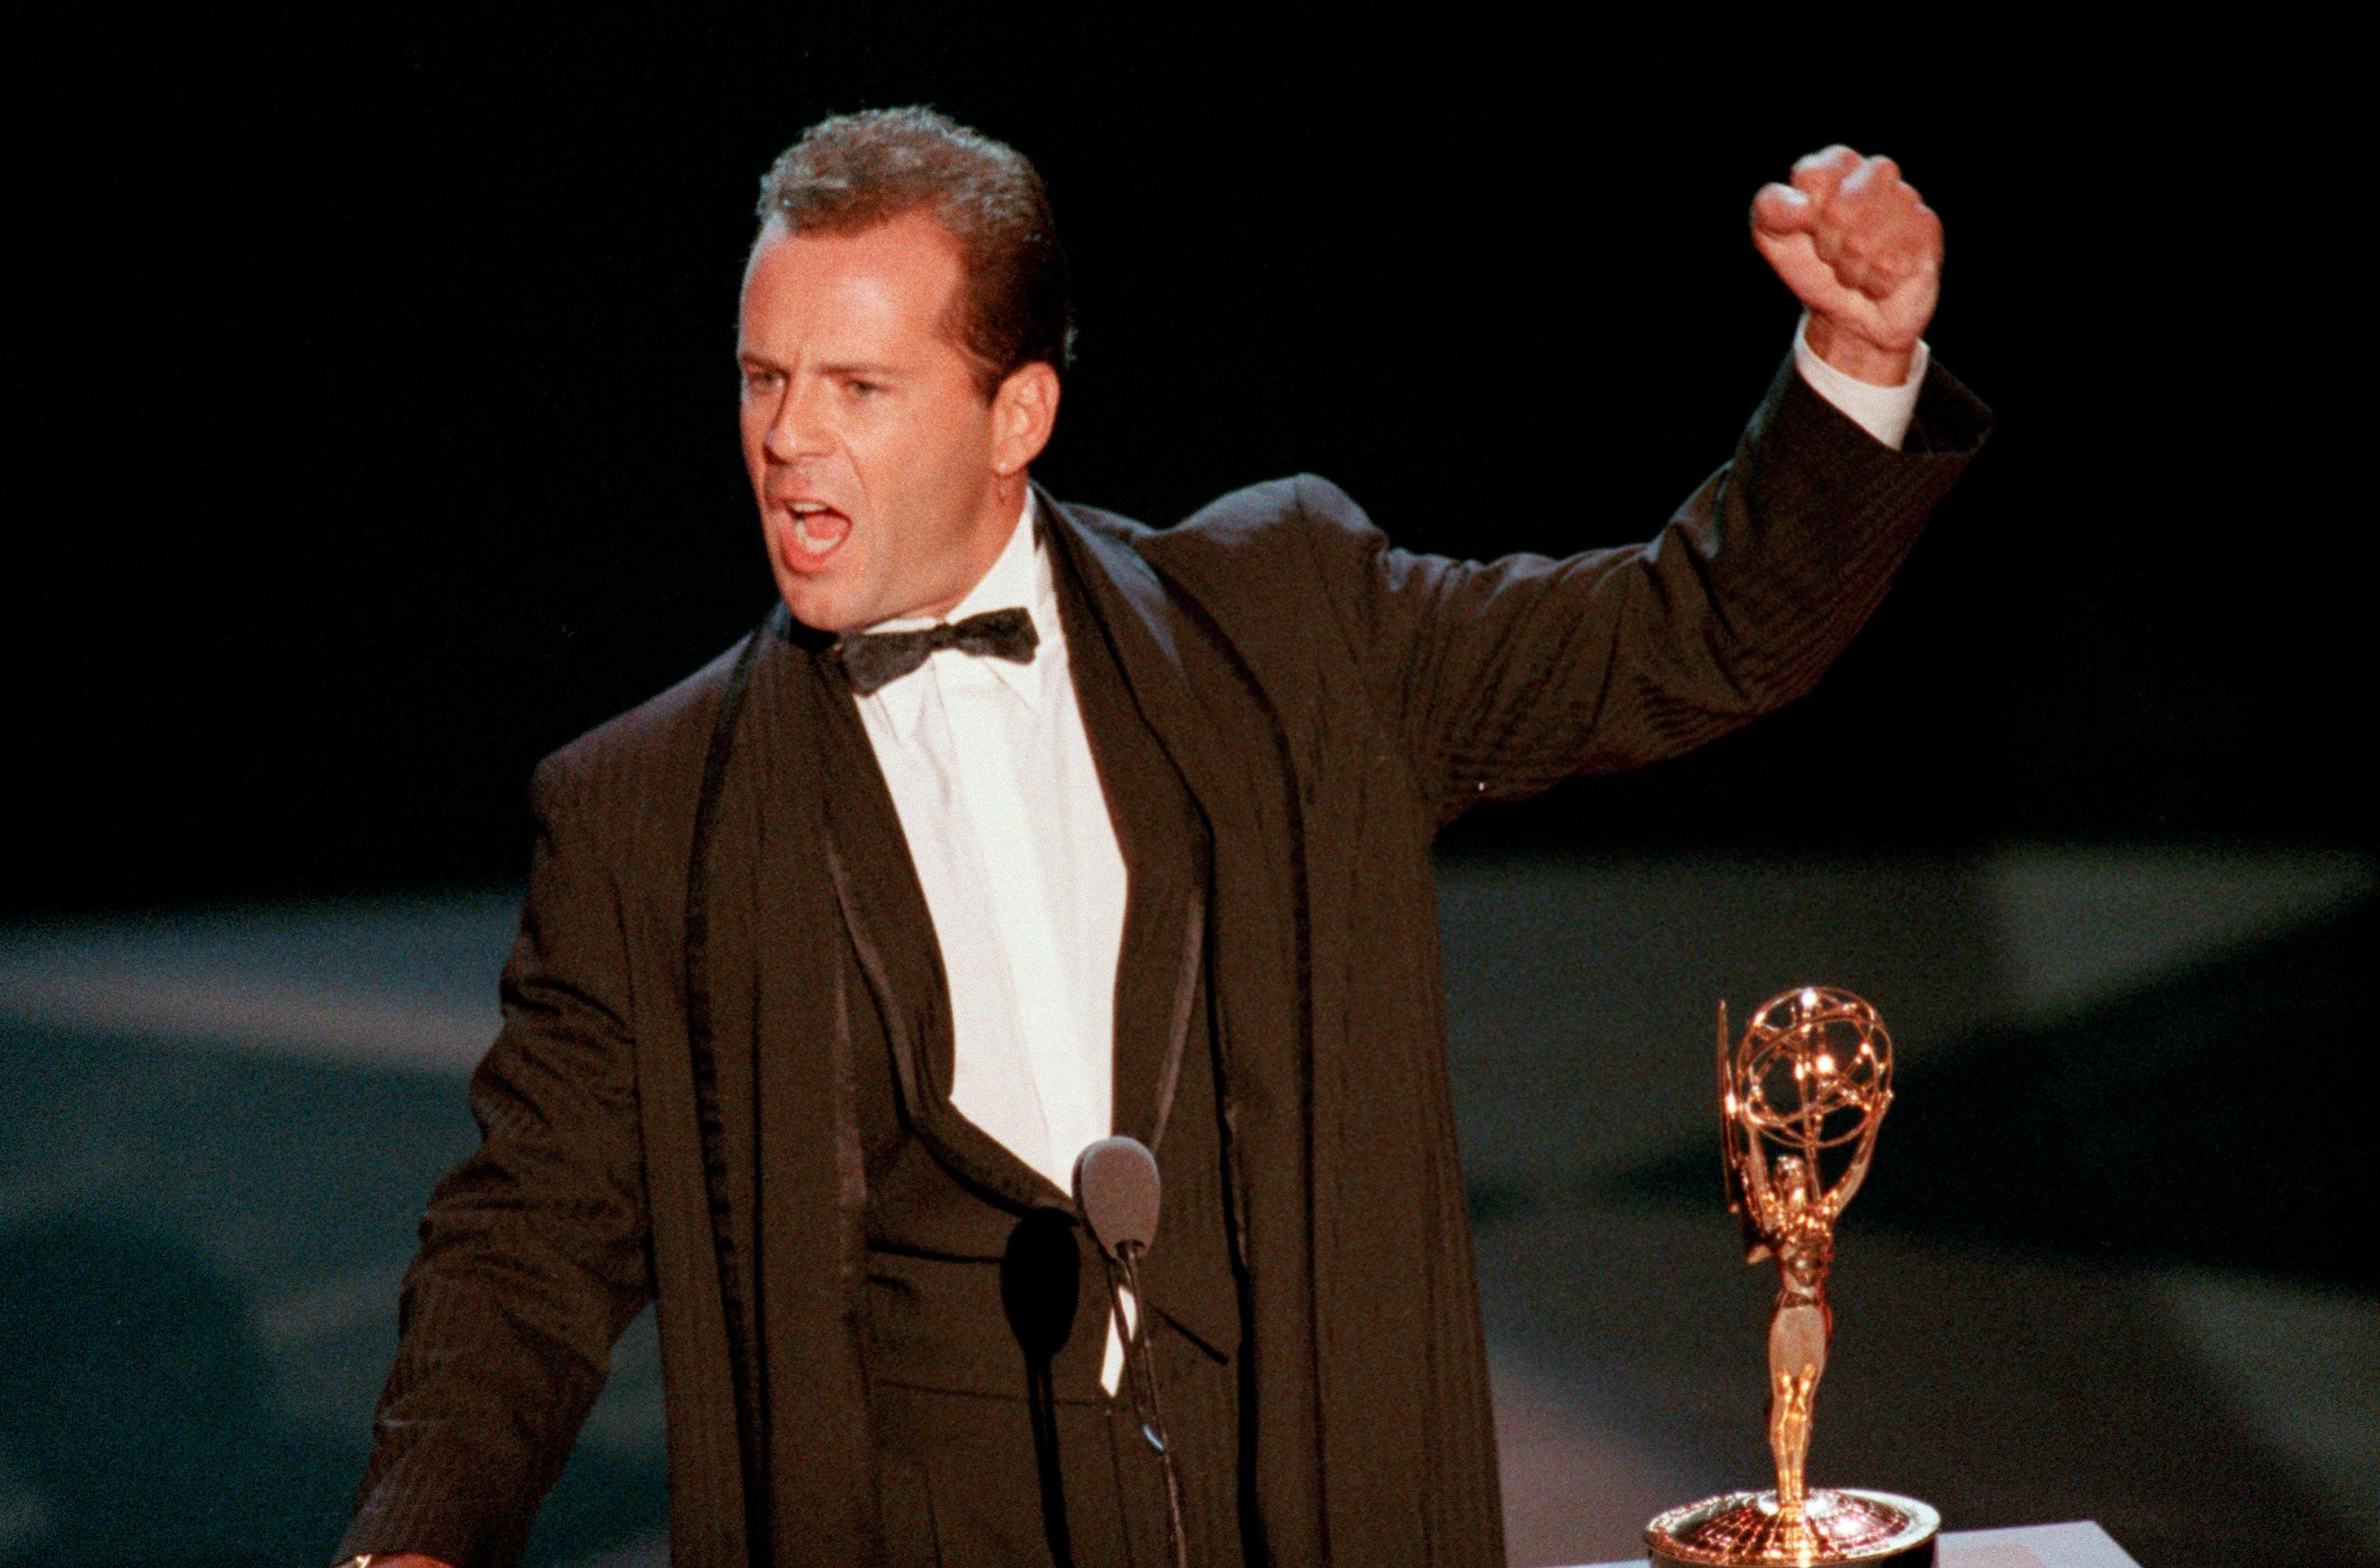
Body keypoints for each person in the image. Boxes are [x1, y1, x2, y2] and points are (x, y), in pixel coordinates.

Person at [335, 107, 1987, 1568]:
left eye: (857, 386)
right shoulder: (649, 808)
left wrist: (1856, 365)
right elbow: (525, 1240)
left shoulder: (1289, 629)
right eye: (764, 379)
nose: (786, 437)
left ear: (1017, 413)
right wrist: (415, 1541)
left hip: (1301, 1495)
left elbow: (1684, 636)